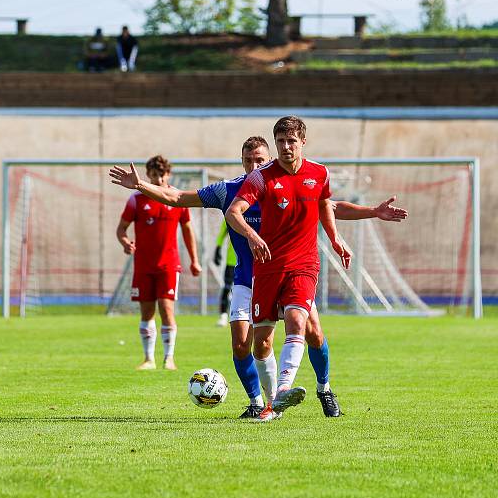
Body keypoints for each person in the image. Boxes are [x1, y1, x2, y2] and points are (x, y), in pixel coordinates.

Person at [110, 135, 407, 419]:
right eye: (248, 161)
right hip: (247, 279)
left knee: (313, 333)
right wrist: (141, 186)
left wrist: (372, 212)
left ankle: (324, 388)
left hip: (289, 272)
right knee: (242, 344)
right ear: (241, 162)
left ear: (270, 158)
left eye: (260, 160)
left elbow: (329, 206)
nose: (254, 166)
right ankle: (258, 403)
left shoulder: (281, 182)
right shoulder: (229, 191)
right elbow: (176, 197)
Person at [227, 116, 353, 420]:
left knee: (301, 322)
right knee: (262, 344)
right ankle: (272, 405)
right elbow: (234, 212)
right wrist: (253, 235)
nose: (286, 147)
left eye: (291, 141)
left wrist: (335, 239)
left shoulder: (319, 173)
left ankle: (298, 388)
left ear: (303, 142)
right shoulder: (261, 178)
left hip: (304, 264)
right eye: (281, 141)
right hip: (268, 267)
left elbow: (325, 205)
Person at [116, 155, 202, 371]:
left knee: (166, 308)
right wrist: (125, 242)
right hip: (143, 265)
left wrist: (194, 260)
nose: (158, 179)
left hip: (169, 265)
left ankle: (169, 358)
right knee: (146, 312)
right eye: (153, 175)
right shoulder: (136, 199)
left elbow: (188, 230)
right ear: (148, 176)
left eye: (161, 175)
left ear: (168, 174)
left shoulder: (177, 198)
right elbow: (121, 229)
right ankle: (148, 359)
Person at [213, 219, 237, 327]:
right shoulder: (233, 209)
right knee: (227, 287)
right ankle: (223, 316)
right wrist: (218, 247)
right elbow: (224, 229)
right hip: (231, 260)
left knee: (249, 288)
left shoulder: (255, 212)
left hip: (249, 260)